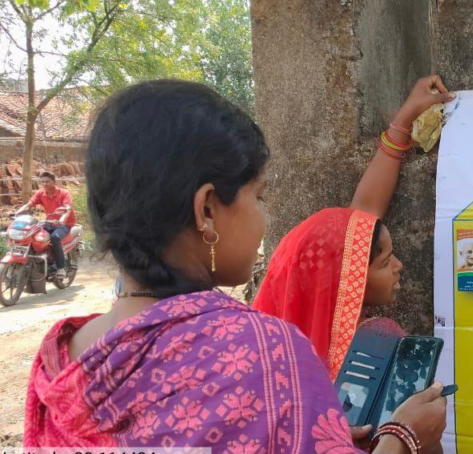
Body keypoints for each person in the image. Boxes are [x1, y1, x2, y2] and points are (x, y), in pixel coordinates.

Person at [24, 79, 446, 454]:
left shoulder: (59, 358)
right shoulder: (261, 356)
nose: (263, 218)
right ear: (207, 210)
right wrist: (402, 438)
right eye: (258, 196)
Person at [253, 75, 452, 388]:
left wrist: (403, 120)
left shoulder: (290, 355)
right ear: (345, 280)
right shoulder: (356, 357)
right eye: (385, 261)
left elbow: (364, 214)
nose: (399, 265)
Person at [16, 171, 76, 278]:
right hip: (49, 222)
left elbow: (67, 209)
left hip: (65, 224)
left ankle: (61, 267)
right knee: (32, 234)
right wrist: (17, 213)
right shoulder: (41, 193)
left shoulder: (63, 193)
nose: (44, 184)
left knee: (55, 237)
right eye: (42, 182)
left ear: (54, 181)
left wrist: (62, 220)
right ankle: (36, 260)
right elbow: (29, 204)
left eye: (47, 181)